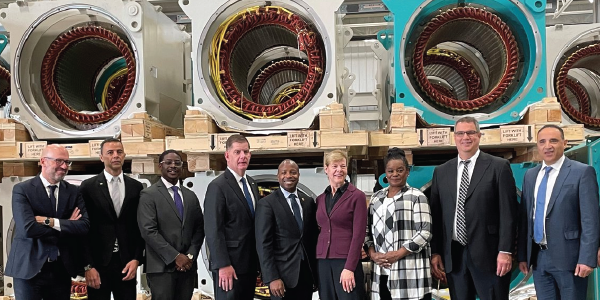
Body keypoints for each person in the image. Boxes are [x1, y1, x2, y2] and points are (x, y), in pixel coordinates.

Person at [429, 116, 517, 300]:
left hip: (490, 255)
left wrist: (505, 251)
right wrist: (436, 251)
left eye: (470, 132)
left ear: (479, 135)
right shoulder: (442, 172)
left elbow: (508, 213)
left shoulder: (498, 167)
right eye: (460, 133)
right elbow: (436, 217)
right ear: (454, 137)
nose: (465, 137)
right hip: (454, 256)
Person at [517, 125, 599, 300]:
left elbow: (590, 219)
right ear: (537, 146)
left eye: (553, 140)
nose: (548, 146)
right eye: (542, 142)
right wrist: (523, 255)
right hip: (538, 259)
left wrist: (587, 258)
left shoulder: (582, 172)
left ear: (565, 143)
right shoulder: (530, 176)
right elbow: (526, 219)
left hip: (570, 259)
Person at [5, 144, 90, 300]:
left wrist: (50, 222)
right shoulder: (22, 190)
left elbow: (84, 226)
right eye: (59, 161)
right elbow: (27, 229)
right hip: (29, 268)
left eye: (67, 162)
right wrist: (66, 224)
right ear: (43, 161)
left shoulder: (73, 191)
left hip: (61, 269)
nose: (64, 166)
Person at [79, 138, 144, 300]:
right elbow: (83, 229)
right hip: (98, 264)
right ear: (101, 157)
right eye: (110, 152)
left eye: (119, 152)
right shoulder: (88, 187)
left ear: (124, 155)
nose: (115, 156)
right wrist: (88, 266)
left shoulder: (136, 187)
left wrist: (136, 258)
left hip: (126, 263)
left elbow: (140, 226)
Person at [137, 150, 205, 300]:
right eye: (168, 162)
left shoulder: (190, 196)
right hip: (161, 269)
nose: (173, 166)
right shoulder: (149, 195)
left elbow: (199, 228)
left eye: (177, 163)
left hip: (187, 268)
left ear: (182, 167)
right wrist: (175, 257)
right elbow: (148, 231)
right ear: (160, 166)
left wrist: (190, 256)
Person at [366, 148, 432, 300]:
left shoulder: (416, 197)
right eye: (390, 171)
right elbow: (367, 230)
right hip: (382, 271)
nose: (395, 174)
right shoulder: (376, 198)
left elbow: (425, 232)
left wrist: (397, 254)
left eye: (400, 170)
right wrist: (373, 254)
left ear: (407, 171)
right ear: (385, 173)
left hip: (409, 273)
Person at [204, 134, 261, 300]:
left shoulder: (251, 184)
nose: (243, 156)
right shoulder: (217, 186)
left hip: (249, 265)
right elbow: (213, 229)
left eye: (246, 152)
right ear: (227, 155)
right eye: (237, 152)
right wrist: (223, 264)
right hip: (229, 267)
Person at [255, 159, 319, 300]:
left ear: (298, 175)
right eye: (284, 172)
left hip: (306, 276)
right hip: (281, 278)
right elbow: (263, 244)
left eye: (293, 172)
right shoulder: (267, 204)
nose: (288, 176)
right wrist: (272, 278)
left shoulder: (308, 202)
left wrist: (315, 274)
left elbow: (312, 238)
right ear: (278, 176)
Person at [316, 149, 367, 300]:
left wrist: (349, 268)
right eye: (335, 166)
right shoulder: (320, 199)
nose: (339, 170)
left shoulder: (357, 196)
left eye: (343, 166)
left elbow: (358, 235)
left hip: (345, 261)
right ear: (326, 169)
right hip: (323, 262)